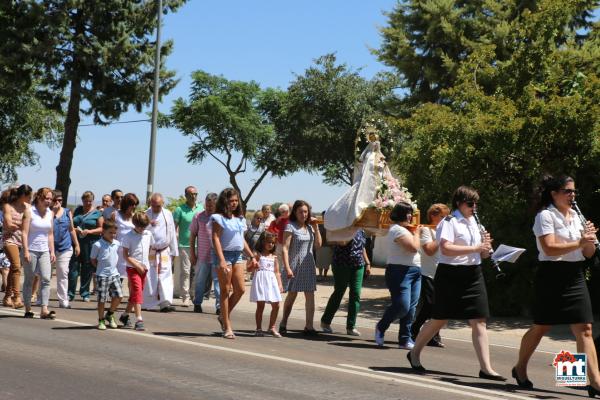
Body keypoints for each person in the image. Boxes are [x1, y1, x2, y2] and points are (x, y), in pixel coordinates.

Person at [512, 175, 600, 395]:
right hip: (551, 275)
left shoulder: (578, 217)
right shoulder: (545, 216)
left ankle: (594, 381)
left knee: (585, 328)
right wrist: (579, 242)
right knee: (542, 326)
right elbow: (550, 248)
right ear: (554, 194)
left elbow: (588, 254)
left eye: (574, 192)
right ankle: (520, 367)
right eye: (567, 191)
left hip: (574, 275)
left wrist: (589, 241)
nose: (572, 195)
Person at [408, 186, 505, 381]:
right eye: (471, 203)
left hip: (473, 275)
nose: (474, 207)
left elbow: (484, 254)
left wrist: (486, 249)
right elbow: (446, 249)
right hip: (450, 274)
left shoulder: (478, 224)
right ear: (460, 203)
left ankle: (486, 368)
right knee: (439, 319)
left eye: (476, 203)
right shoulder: (449, 221)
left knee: (479, 320)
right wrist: (476, 247)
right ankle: (415, 352)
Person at [211, 188, 257, 339]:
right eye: (231, 201)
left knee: (241, 289)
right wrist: (222, 260)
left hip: (237, 256)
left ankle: (223, 317)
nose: (234, 204)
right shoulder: (218, 218)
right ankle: (227, 326)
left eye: (236, 201)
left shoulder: (240, 219)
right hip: (223, 256)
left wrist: (251, 256)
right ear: (225, 201)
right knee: (225, 291)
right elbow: (216, 238)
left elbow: (241, 240)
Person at [374, 202, 421, 349]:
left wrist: (414, 233)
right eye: (408, 213)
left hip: (415, 270)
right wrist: (417, 234)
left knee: (411, 308)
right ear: (400, 213)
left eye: (411, 213)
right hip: (399, 271)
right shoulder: (396, 229)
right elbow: (413, 248)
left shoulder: (406, 229)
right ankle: (381, 326)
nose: (410, 216)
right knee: (402, 306)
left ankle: (404, 339)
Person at [278, 200, 322, 335]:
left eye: (305, 211)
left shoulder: (309, 227)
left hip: (308, 264)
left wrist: (316, 228)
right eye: (300, 211)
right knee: (292, 294)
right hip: (294, 264)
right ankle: (284, 322)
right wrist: (287, 267)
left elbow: (318, 245)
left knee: (310, 295)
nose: (303, 214)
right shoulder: (290, 227)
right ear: (295, 213)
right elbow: (285, 249)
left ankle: (309, 326)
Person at [411, 203, 450, 348]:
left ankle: (434, 335)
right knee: (429, 305)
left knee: (440, 307)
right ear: (433, 216)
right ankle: (414, 329)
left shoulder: (446, 232)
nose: (446, 220)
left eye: (447, 217)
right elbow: (428, 250)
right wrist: (441, 236)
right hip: (427, 273)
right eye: (442, 217)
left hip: (442, 274)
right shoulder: (426, 230)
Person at [320, 229, 371, 336]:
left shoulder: (360, 230)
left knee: (356, 294)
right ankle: (325, 322)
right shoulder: (340, 226)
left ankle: (351, 327)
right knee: (339, 292)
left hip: (358, 265)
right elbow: (330, 241)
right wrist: (342, 239)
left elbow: (362, 247)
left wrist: (367, 263)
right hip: (341, 263)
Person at [22, 187, 56, 319]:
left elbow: (50, 234)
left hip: (44, 251)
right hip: (31, 249)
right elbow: (24, 233)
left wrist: (52, 250)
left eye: (50, 199)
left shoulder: (50, 213)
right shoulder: (30, 211)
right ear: (39, 198)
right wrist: (25, 250)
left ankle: (44, 309)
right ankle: (28, 309)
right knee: (29, 279)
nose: (48, 201)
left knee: (46, 279)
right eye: (46, 198)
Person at [144, 193, 178, 312]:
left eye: (158, 206)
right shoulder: (146, 214)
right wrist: (149, 224)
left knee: (165, 276)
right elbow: (140, 230)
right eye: (153, 206)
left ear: (162, 204)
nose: (156, 208)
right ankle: (149, 303)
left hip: (164, 251)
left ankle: (165, 303)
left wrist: (174, 251)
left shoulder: (168, 214)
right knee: (151, 277)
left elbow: (172, 232)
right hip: (151, 251)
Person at [120, 211, 154, 331]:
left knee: (135, 293)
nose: (141, 229)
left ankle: (124, 315)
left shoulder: (148, 234)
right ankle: (139, 319)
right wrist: (136, 265)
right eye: (139, 226)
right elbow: (125, 255)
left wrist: (144, 264)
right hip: (132, 268)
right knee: (138, 291)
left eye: (144, 226)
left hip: (144, 268)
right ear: (134, 224)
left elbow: (149, 248)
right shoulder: (129, 236)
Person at [69, 191, 104, 302]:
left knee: (87, 269)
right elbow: (71, 225)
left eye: (90, 201)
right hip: (76, 242)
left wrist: (89, 231)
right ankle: (70, 293)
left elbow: (101, 229)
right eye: (85, 201)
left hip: (90, 244)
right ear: (82, 200)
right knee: (73, 268)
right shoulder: (78, 210)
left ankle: (85, 293)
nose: (88, 203)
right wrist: (76, 230)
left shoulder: (97, 213)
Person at [2, 184, 33, 308]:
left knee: (13, 270)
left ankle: (6, 297)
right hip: (8, 240)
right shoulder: (8, 206)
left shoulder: (28, 208)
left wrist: (18, 225)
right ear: (23, 196)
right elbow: (9, 224)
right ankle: (17, 297)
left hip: (22, 241)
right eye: (29, 197)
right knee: (16, 266)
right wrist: (22, 224)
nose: (31, 199)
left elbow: (28, 228)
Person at [173, 186, 203, 307]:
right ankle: (185, 296)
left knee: (197, 272)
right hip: (184, 244)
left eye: (196, 194)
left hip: (199, 245)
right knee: (185, 271)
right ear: (186, 195)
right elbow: (173, 227)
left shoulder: (201, 209)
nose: (194, 196)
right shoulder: (179, 209)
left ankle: (194, 294)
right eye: (191, 194)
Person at [190, 193, 220, 314]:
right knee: (200, 281)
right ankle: (197, 303)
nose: (208, 208)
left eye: (211, 206)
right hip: (202, 256)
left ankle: (219, 307)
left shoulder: (220, 218)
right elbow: (192, 236)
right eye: (207, 205)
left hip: (217, 256)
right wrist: (192, 253)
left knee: (218, 283)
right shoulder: (198, 216)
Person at [90, 220, 123, 330]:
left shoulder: (117, 243)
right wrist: (99, 269)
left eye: (114, 233)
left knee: (119, 295)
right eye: (110, 233)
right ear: (103, 232)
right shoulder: (97, 245)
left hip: (115, 274)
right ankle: (101, 320)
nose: (113, 235)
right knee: (102, 299)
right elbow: (93, 260)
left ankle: (109, 314)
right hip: (102, 275)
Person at [250, 231, 283, 337]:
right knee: (261, 305)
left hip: (271, 282)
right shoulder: (257, 254)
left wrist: (280, 284)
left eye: (273, 243)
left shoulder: (274, 257)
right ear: (263, 242)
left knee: (276, 304)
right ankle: (258, 328)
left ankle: (272, 327)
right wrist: (253, 266)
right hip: (260, 281)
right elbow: (248, 268)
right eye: (268, 242)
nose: (271, 245)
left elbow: (277, 272)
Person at [51, 190, 80, 309]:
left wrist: (76, 244)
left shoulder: (67, 212)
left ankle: (63, 300)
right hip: (49, 248)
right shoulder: (46, 213)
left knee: (63, 273)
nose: (58, 202)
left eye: (60, 200)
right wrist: (52, 212)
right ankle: (41, 298)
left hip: (65, 247)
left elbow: (71, 229)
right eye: (55, 200)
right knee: (45, 275)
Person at [114, 193, 138, 279]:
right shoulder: (115, 215)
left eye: (135, 204)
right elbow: (109, 230)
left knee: (131, 275)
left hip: (131, 249)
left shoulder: (136, 216)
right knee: (117, 275)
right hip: (118, 249)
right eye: (132, 204)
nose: (134, 206)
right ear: (126, 204)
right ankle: (115, 292)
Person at [268, 204, 290, 290]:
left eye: (282, 212)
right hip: (279, 244)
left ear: (287, 211)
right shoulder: (279, 220)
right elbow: (271, 229)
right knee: (279, 265)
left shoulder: (291, 220)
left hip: (288, 245)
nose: (281, 214)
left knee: (287, 264)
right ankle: (279, 284)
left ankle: (286, 285)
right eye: (280, 212)